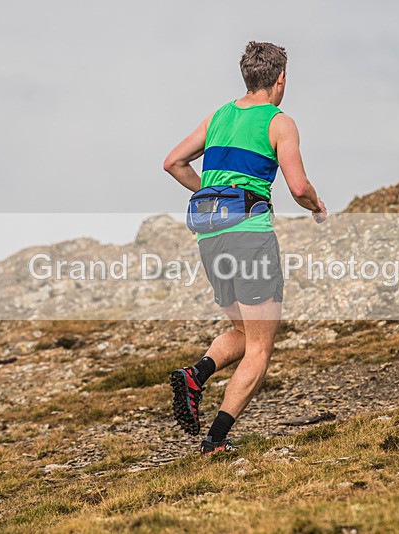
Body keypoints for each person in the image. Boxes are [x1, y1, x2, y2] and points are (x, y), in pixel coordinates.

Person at [163, 41, 328, 455]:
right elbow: (298, 186)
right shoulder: (279, 121)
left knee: (243, 329)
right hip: (249, 234)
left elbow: (172, 162)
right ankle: (216, 439)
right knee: (260, 344)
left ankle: (196, 374)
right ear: (280, 79)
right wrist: (318, 207)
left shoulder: (218, 116)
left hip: (210, 235)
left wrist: (214, 194)